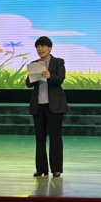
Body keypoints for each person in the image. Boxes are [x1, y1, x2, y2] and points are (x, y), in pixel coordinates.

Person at [26, 36, 69, 178]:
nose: (40, 49)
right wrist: (32, 77)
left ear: (50, 48)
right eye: (38, 47)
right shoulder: (34, 64)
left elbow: (60, 79)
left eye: (43, 46)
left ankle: (56, 169)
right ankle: (41, 169)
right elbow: (28, 84)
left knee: (55, 138)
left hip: (55, 105)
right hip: (38, 106)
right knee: (40, 139)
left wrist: (50, 76)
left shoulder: (58, 62)